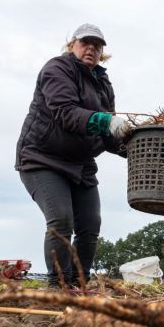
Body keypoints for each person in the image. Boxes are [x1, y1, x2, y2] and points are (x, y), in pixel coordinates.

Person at [15, 23, 130, 287]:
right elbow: (66, 113)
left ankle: (78, 284)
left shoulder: (103, 83)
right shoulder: (57, 69)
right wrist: (105, 121)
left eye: (97, 45)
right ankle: (58, 287)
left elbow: (107, 134)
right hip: (41, 158)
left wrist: (135, 148)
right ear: (72, 46)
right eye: (85, 43)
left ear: (102, 52)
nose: (91, 48)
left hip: (79, 163)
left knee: (90, 225)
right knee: (61, 220)